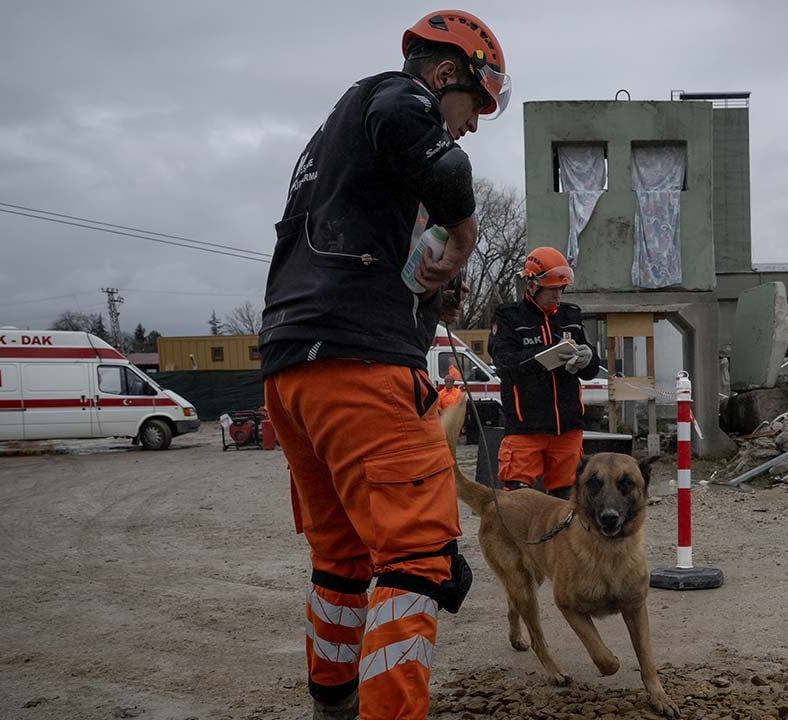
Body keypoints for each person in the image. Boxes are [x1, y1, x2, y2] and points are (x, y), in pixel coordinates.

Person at [256, 11, 510, 720]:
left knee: (340, 557)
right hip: (360, 371)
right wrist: (462, 231)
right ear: (444, 74)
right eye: (474, 104)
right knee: (417, 558)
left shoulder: (331, 139)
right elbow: (445, 161)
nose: (474, 124)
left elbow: (373, 239)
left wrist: (434, 292)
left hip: (292, 370)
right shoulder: (396, 95)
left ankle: (332, 708)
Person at [489, 247, 600, 499]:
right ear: (531, 285)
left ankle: (561, 540)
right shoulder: (509, 318)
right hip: (525, 427)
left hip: (567, 429)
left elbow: (591, 371)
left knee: (567, 500)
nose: (557, 295)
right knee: (517, 501)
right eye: (551, 289)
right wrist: (545, 356)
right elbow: (505, 363)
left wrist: (588, 358)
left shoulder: (571, 316)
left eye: (560, 289)